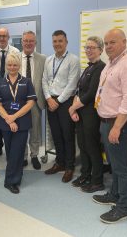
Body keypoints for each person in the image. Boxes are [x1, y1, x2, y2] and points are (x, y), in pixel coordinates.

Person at [92, 29, 127, 224]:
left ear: (124, 42)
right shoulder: (113, 64)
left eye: (112, 42)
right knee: (113, 163)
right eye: (106, 43)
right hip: (107, 121)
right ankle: (114, 194)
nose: (108, 47)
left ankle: (122, 207)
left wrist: (116, 127)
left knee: (122, 167)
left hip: (118, 123)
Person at [0, 53, 36, 194]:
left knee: (17, 151)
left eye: (15, 65)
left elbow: (30, 103)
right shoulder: (0, 82)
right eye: (9, 64)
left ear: (19, 66)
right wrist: (8, 118)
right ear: (6, 66)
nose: (12, 67)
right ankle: (15, 176)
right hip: (5, 122)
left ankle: (11, 181)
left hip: (22, 122)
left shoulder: (27, 81)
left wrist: (14, 117)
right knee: (11, 151)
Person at [42, 30, 81, 183]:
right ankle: (60, 162)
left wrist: (58, 101)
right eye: (55, 41)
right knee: (56, 135)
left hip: (65, 103)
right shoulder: (49, 60)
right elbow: (44, 80)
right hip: (50, 101)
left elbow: (72, 85)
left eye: (60, 41)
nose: (57, 44)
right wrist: (47, 98)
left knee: (68, 136)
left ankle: (70, 166)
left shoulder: (73, 60)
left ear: (66, 42)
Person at [69, 36, 106, 193]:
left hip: (92, 114)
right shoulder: (88, 67)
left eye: (92, 48)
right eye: (87, 47)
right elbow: (79, 90)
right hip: (82, 112)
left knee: (92, 147)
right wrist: (75, 107)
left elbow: (91, 93)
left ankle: (97, 181)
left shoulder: (101, 67)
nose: (88, 50)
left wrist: (72, 108)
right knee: (83, 146)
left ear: (100, 50)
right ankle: (85, 175)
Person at [0, 27, 20, 158]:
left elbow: (19, 70)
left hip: (12, 93)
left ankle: (13, 151)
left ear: (8, 37)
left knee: (12, 120)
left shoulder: (15, 51)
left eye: (4, 36)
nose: (2, 38)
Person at [17, 30, 46, 170]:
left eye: (31, 41)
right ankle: (23, 156)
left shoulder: (42, 59)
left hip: (35, 101)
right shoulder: (14, 57)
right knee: (22, 130)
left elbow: (45, 80)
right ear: (22, 42)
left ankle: (34, 155)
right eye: (26, 40)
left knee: (35, 131)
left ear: (35, 43)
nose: (28, 43)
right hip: (20, 103)